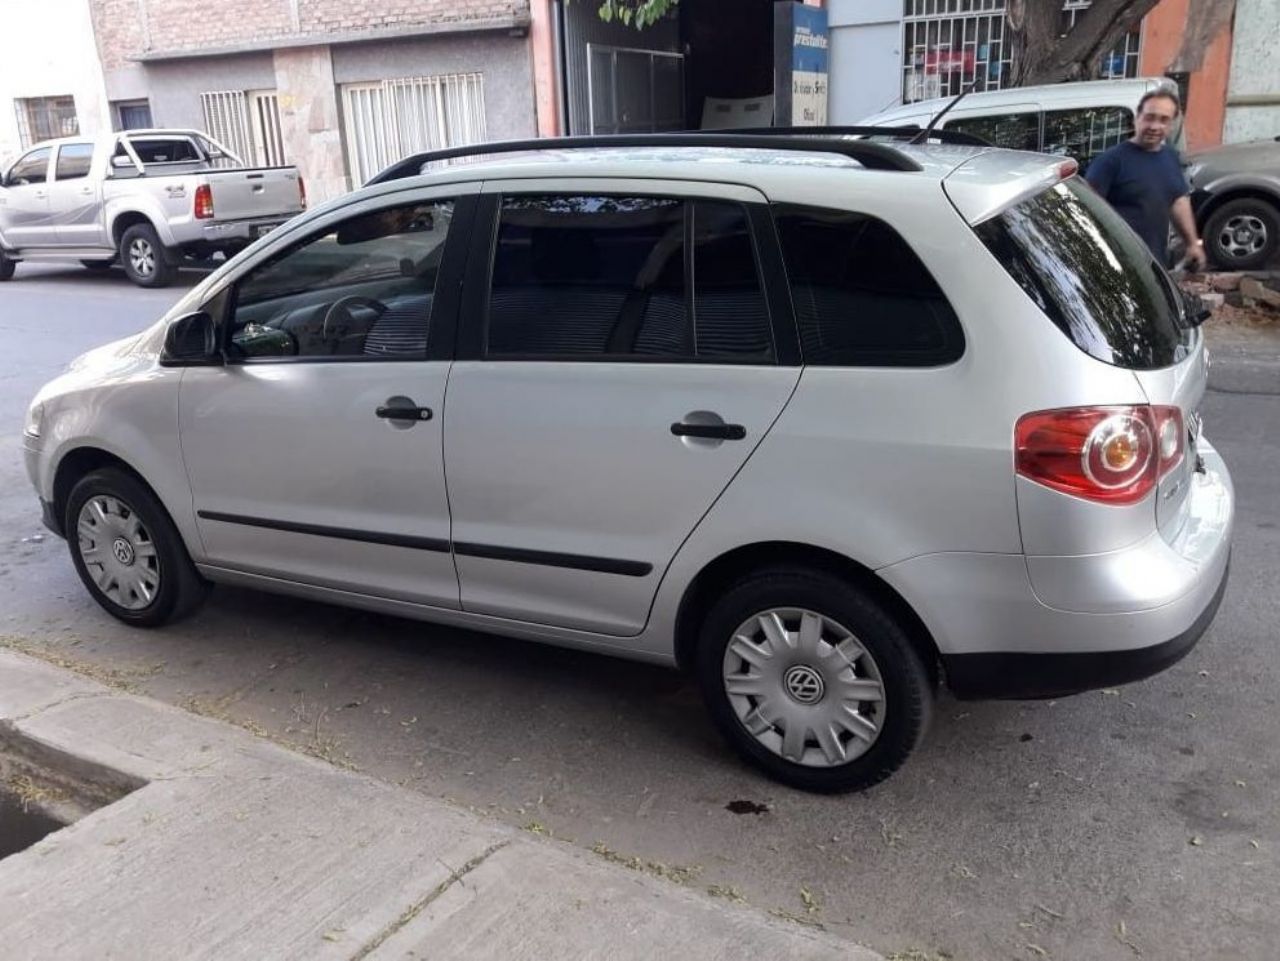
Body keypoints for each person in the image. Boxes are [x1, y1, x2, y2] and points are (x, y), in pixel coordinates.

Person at [1086, 88, 1206, 271]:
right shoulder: (1110, 162)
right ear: (1137, 119)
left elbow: (1177, 201)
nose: (1155, 126)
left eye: (1164, 120)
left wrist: (1191, 244)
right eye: (1149, 117)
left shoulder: (1170, 157)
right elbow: (1086, 212)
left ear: (1172, 125)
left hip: (1155, 264)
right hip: (1117, 265)